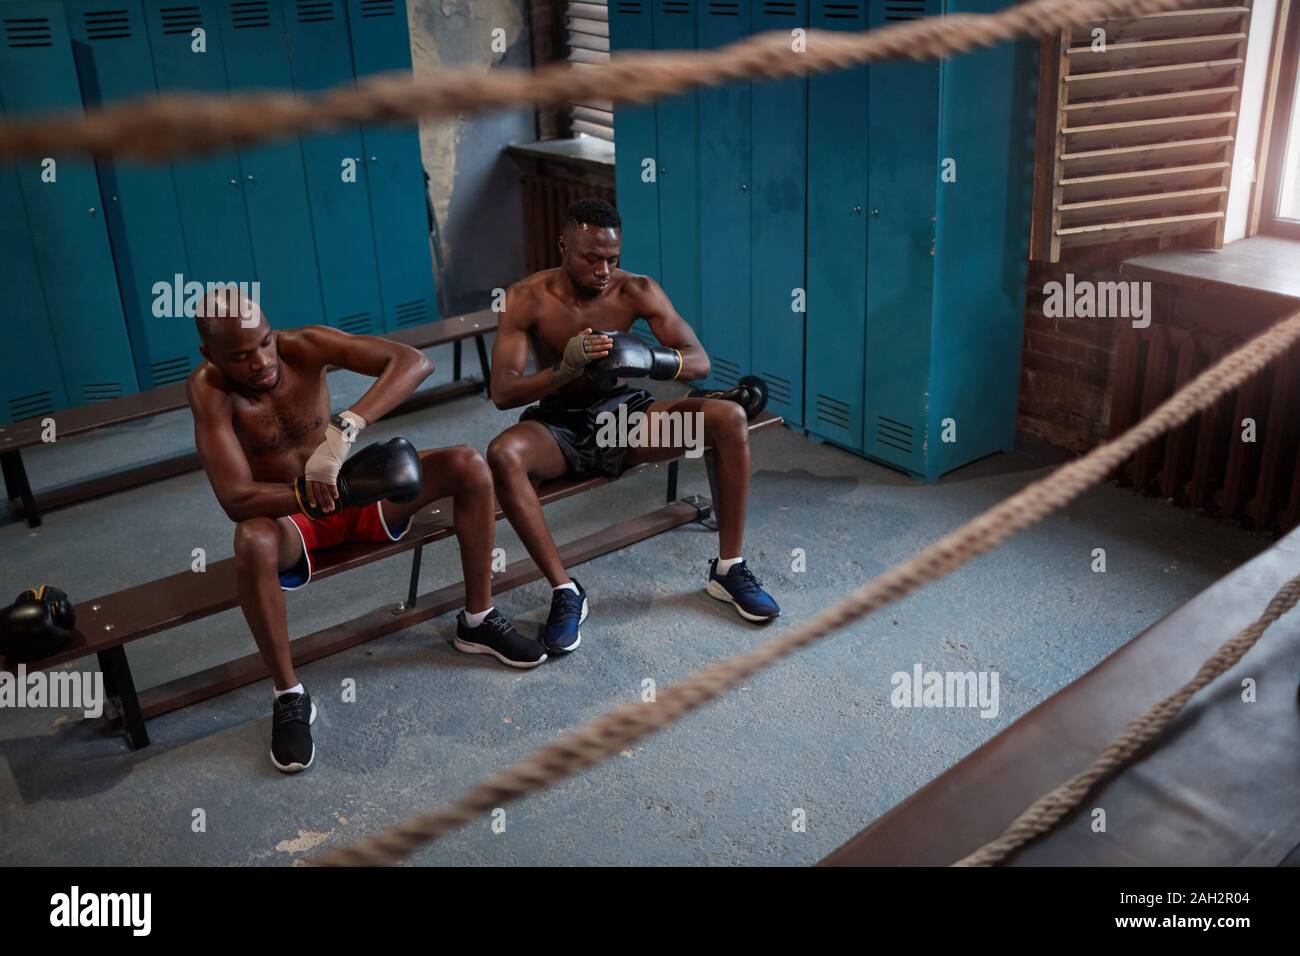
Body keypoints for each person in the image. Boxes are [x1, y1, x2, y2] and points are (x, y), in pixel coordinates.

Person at [187, 290, 543, 773]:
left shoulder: (306, 346)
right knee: (251, 539)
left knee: (468, 464)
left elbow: (413, 362)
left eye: (265, 343)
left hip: (351, 491)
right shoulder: (208, 392)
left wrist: (345, 428)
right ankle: (289, 694)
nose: (261, 362)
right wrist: (311, 492)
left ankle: (478, 620)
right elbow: (236, 498)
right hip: (293, 517)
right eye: (241, 356)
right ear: (211, 356)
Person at [486, 198, 780, 655]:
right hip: (559, 427)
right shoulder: (525, 297)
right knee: (504, 454)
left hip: (625, 421)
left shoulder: (636, 290)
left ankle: (728, 569)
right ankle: (566, 591)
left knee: (729, 418)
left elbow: (699, 361)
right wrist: (562, 371)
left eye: (612, 258)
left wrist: (652, 360)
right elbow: (503, 391)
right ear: (563, 246)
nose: (604, 269)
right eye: (591, 258)